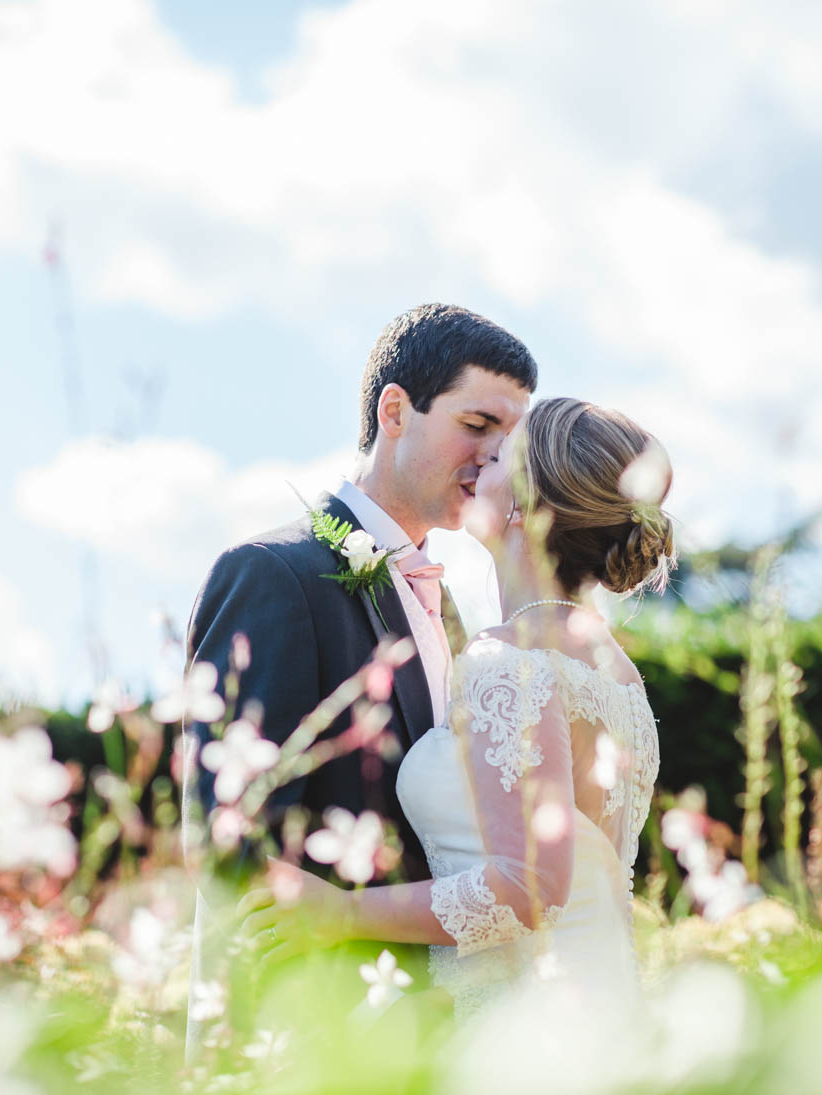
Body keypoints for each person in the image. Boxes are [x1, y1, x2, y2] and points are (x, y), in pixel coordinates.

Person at [240, 396, 674, 1021]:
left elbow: (530, 887)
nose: (476, 464)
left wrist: (342, 914)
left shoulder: (509, 660)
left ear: (523, 505)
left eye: (497, 456)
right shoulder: (614, 670)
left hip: (520, 1021)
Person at [179, 303, 536, 1052]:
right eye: (478, 425)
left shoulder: (457, 617)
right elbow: (232, 841)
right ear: (396, 409)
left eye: (511, 439)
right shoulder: (275, 575)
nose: (496, 457)